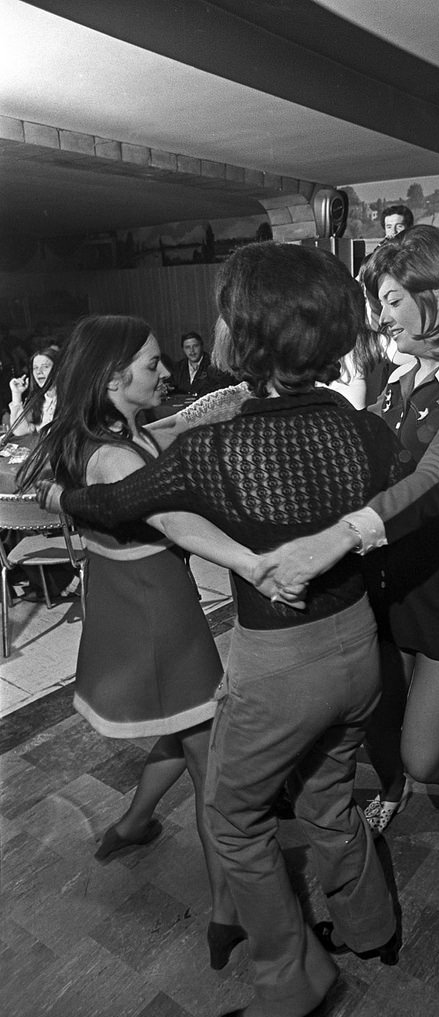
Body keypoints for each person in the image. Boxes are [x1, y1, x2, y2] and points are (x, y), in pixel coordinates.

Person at [40, 245, 404, 1017]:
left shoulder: (217, 449)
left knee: (235, 819)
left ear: (248, 332)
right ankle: (371, 927)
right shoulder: (364, 427)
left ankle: (292, 987)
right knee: (331, 795)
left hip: (285, 665)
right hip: (360, 648)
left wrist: (59, 490)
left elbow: (111, 504)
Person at [22, 314, 284, 971]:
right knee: (213, 771)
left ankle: (135, 823)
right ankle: (226, 910)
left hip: (134, 602)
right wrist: (257, 565)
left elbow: (157, 437)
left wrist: (203, 411)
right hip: (158, 617)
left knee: (189, 730)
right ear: (112, 380)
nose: (164, 371)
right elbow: (172, 517)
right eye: (149, 366)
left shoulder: (106, 435)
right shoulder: (111, 454)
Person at [256, 225, 439, 845]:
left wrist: (338, 537)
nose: (383, 317)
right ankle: (393, 788)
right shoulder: (402, 384)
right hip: (390, 581)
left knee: (426, 754)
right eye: (381, 303)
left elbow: (438, 478)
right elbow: (353, 448)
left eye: (394, 301)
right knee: (379, 717)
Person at [7, 345, 60, 436]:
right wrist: (16, 394)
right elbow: (19, 431)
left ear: (58, 369)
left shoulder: (70, 401)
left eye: (45, 366)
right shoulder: (39, 401)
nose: (39, 371)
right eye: (35, 368)